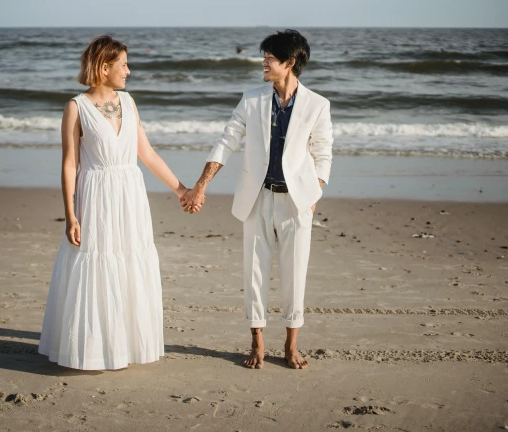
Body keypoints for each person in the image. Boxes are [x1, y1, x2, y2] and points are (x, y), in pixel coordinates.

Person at [39, 35, 194, 370]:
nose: (128, 70)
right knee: (96, 263)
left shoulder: (129, 102)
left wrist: (181, 189)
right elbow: (69, 164)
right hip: (96, 195)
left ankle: (124, 344)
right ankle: (93, 348)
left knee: (128, 262)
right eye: (123, 64)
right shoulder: (75, 107)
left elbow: (147, 154)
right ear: (104, 66)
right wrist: (70, 215)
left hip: (129, 194)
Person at [181, 29, 333, 370]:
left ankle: (291, 345)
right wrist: (201, 185)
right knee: (254, 274)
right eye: (264, 56)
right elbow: (226, 142)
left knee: (295, 275)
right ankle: (257, 343)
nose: (263, 62)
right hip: (257, 199)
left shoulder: (317, 105)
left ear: (289, 62)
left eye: (270, 58)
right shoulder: (251, 99)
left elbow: (323, 153)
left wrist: (315, 192)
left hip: (297, 202)